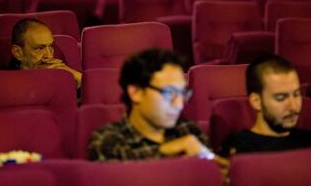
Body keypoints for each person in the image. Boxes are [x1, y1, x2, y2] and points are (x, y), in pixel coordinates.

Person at [88, 48, 228, 171]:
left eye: (182, 93)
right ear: (136, 92)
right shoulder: (107, 139)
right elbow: (121, 176)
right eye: (169, 93)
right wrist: (171, 149)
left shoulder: (188, 130)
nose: (179, 104)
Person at [219, 54, 311, 157]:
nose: (293, 107)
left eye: (296, 95)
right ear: (256, 101)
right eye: (281, 98)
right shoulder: (239, 148)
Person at [10, 18, 82, 89]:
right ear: (18, 52)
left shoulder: (61, 75)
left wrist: (78, 77)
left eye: (51, 46)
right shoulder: (7, 82)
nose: (49, 56)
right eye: (40, 48)